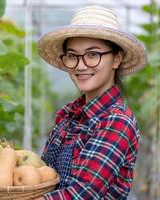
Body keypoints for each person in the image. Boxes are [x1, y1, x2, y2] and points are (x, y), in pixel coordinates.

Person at [36, 5, 147, 200]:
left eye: (93, 54)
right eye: (72, 56)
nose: (80, 65)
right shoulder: (67, 114)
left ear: (116, 59)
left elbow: (84, 194)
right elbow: (44, 175)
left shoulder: (118, 121)